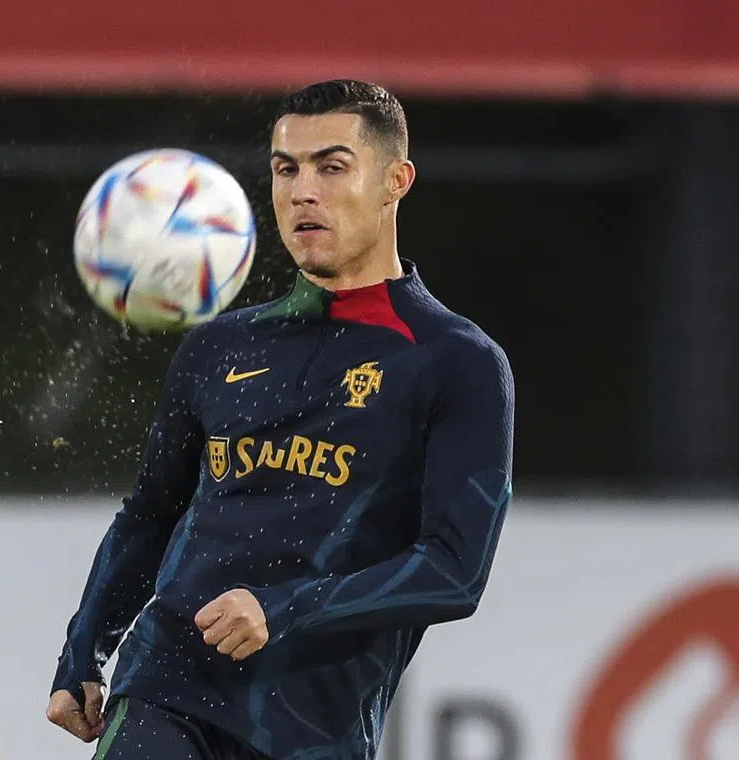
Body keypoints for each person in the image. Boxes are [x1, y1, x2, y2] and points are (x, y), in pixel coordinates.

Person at [46, 79, 515, 760]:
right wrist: (84, 647)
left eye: (331, 167)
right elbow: (151, 513)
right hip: (166, 684)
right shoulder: (218, 347)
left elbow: (454, 572)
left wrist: (283, 608)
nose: (302, 191)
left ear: (395, 181)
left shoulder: (458, 362)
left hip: (312, 730)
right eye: (285, 169)